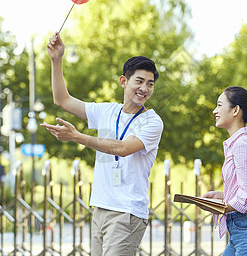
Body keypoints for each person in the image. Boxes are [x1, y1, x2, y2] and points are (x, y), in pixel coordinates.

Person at [40, 32, 164, 256]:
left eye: (150, 84)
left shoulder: (152, 121)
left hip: (127, 213)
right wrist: (56, 60)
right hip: (101, 208)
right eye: (139, 81)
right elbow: (62, 100)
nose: (145, 88)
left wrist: (78, 137)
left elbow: (123, 148)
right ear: (123, 81)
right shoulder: (107, 111)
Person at [202, 86, 247, 255]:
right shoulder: (239, 143)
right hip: (242, 233)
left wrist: (223, 207)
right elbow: (246, 187)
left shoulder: (243, 144)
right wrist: (222, 195)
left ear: (235, 110)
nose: (215, 111)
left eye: (219, 105)